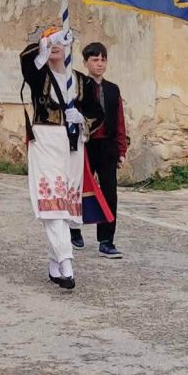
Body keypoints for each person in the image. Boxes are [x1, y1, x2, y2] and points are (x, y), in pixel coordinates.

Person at [19, 27, 104, 291]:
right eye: (51, 41)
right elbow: (26, 60)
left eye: (60, 41)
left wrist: (83, 120)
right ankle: (67, 262)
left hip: (72, 146)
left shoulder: (81, 81)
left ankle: (54, 262)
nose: (56, 46)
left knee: (65, 207)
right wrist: (46, 42)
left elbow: (97, 113)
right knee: (52, 202)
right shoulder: (37, 73)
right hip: (45, 141)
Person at [80, 42, 129, 259]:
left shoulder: (113, 89)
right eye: (94, 60)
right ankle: (73, 229)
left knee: (110, 192)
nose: (99, 64)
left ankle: (107, 240)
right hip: (85, 145)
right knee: (79, 188)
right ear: (86, 62)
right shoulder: (78, 87)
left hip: (107, 146)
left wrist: (121, 150)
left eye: (103, 60)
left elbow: (119, 120)